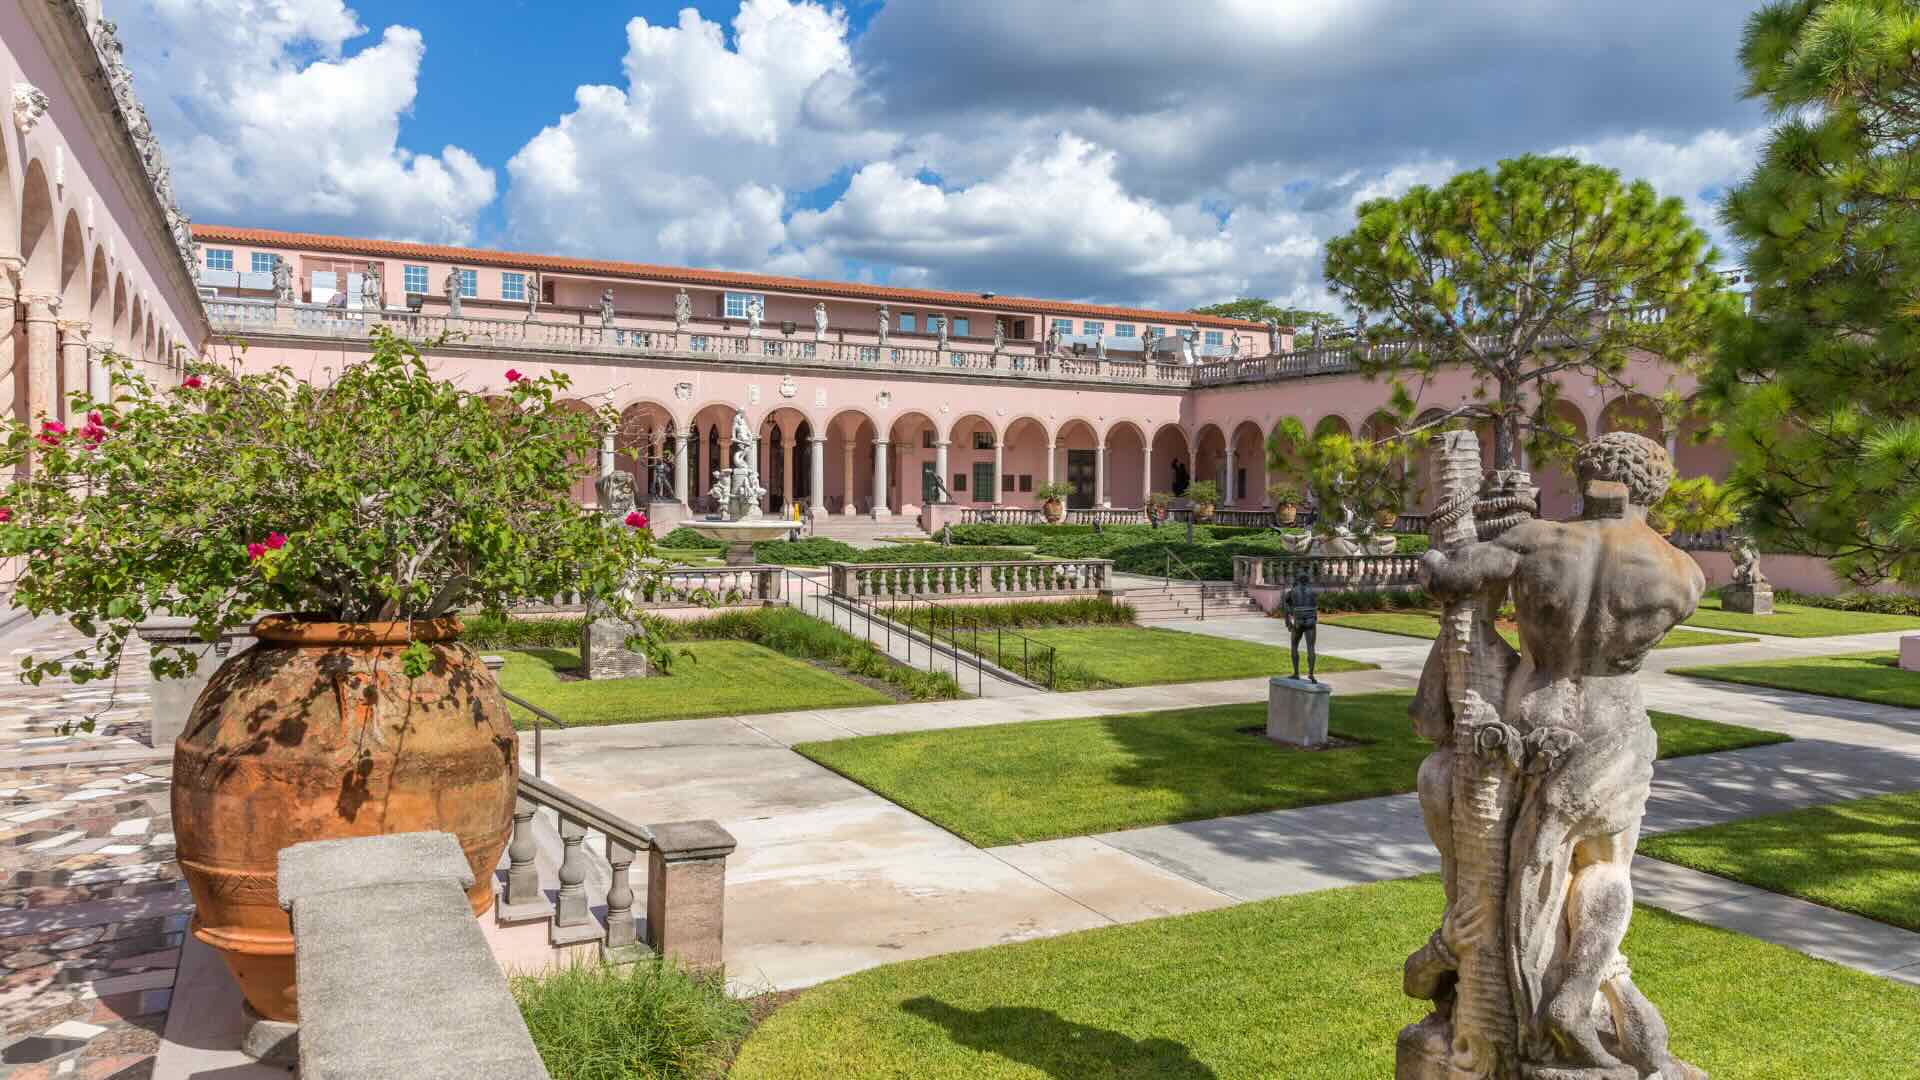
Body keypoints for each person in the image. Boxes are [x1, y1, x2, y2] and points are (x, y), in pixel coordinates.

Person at [1280, 572, 1318, 680]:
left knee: (1294, 646)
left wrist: (1288, 622)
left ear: (1297, 580)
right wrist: (1314, 619)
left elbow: (1286, 607)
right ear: (1307, 581)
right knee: (1311, 647)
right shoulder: (1312, 591)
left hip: (1298, 621)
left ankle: (1296, 673)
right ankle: (1311, 673)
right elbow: (1315, 607)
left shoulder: (1292, 592)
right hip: (1310, 620)